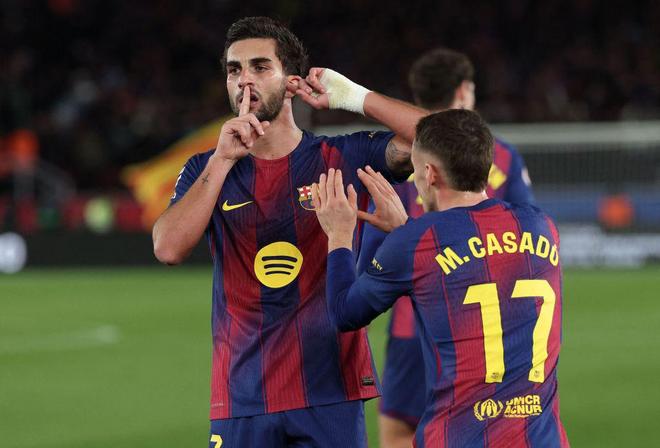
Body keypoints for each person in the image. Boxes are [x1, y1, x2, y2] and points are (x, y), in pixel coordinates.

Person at [152, 16, 426, 448]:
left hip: (330, 391)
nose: (244, 80)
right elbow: (168, 248)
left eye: (260, 67)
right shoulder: (206, 169)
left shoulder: (343, 155)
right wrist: (222, 160)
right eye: (234, 70)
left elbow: (442, 140)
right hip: (242, 395)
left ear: (292, 83)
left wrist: (357, 98)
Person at [314, 109, 569, 447]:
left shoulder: (417, 242)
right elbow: (471, 258)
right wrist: (406, 231)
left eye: (415, 170)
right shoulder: (542, 226)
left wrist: (339, 235)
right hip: (542, 439)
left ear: (430, 174)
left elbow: (344, 313)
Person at [356, 47, 536, 447]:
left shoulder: (396, 154)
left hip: (411, 318)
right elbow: (527, 232)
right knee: (497, 425)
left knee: (400, 430)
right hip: (489, 324)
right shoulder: (499, 154)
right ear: (464, 90)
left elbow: (370, 255)